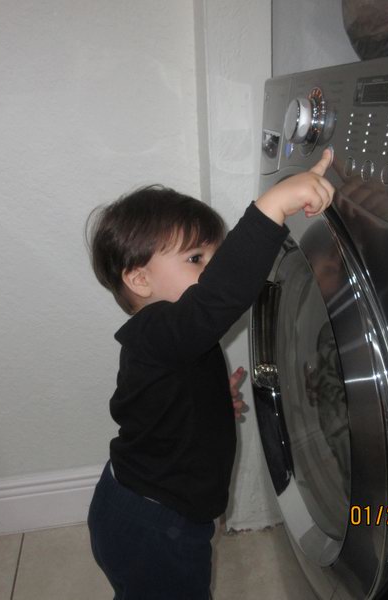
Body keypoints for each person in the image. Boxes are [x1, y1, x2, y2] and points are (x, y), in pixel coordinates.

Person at [86, 147, 335, 599]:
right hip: (153, 524)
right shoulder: (157, 331)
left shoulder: (170, 342)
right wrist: (272, 206)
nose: (214, 269)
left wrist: (210, 401)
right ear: (139, 280)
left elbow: (167, 400)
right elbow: (217, 300)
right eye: (197, 259)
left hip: (152, 508)